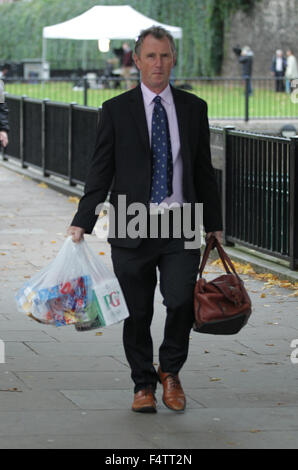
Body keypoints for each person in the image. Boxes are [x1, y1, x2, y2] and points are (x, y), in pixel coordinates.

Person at [67, 26, 222, 414]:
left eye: (165, 56)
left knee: (181, 301)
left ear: (173, 59)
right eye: (150, 56)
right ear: (136, 61)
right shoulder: (116, 110)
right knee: (137, 312)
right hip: (131, 223)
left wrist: (215, 222)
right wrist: (82, 219)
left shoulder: (193, 108)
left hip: (179, 222)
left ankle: (170, 371)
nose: (158, 64)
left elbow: (203, 169)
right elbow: (100, 169)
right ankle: (142, 385)